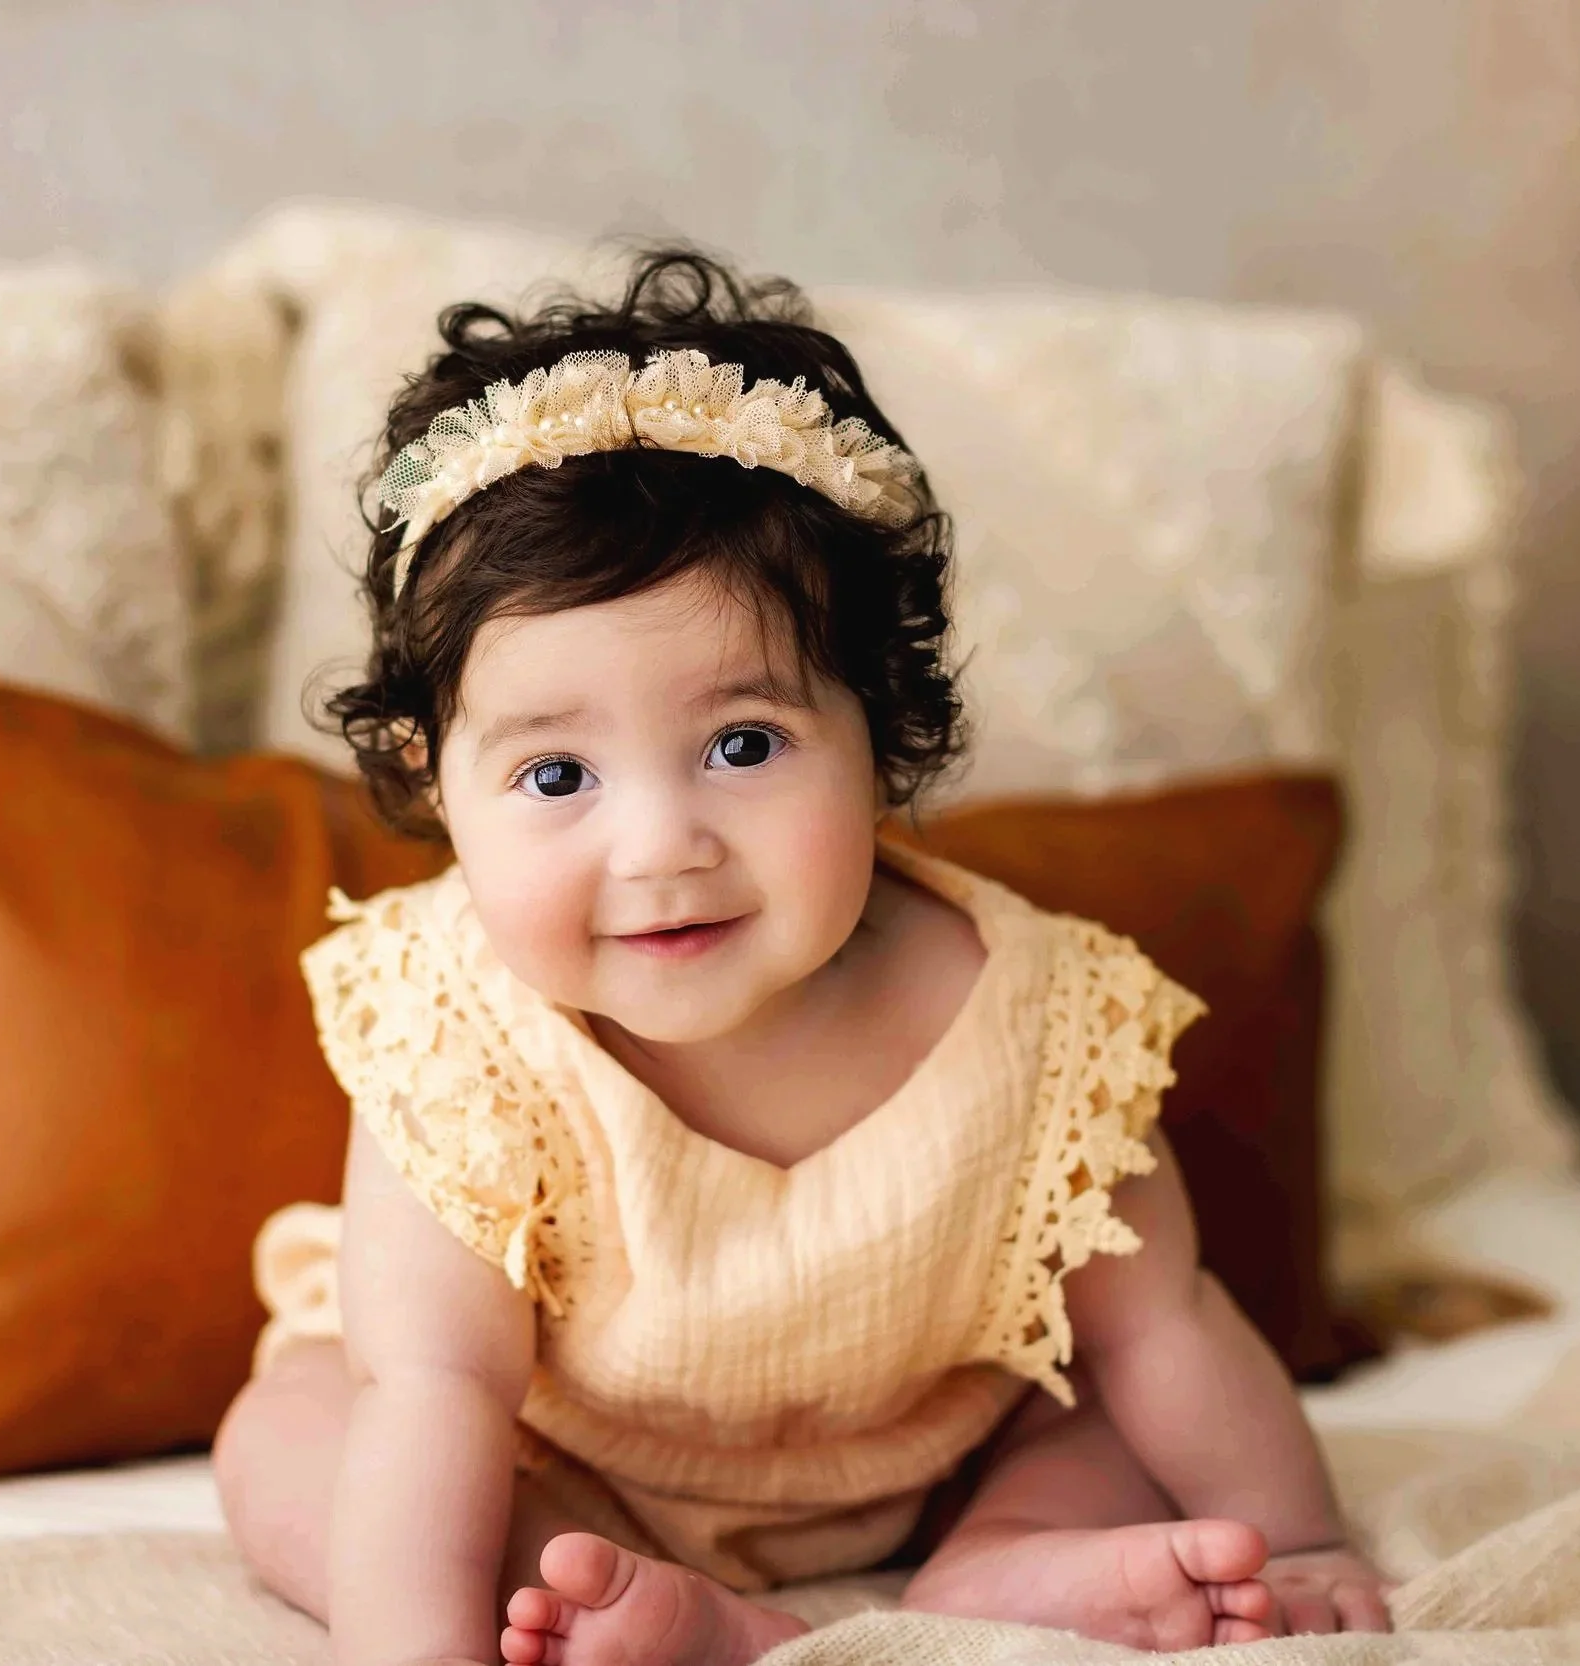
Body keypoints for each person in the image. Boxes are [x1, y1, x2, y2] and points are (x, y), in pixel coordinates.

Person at [214, 248, 1393, 1666]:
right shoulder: (456, 1028)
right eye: (554, 774)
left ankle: (998, 1564)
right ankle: (616, 1602)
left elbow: (1165, 1328)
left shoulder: (1033, 1016)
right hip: (553, 1469)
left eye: (743, 745)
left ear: (879, 732)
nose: (662, 845)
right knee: (295, 1433)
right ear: (431, 779)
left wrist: (1306, 1538)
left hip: (927, 1447)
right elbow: (438, 1391)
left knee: (1098, 1410)